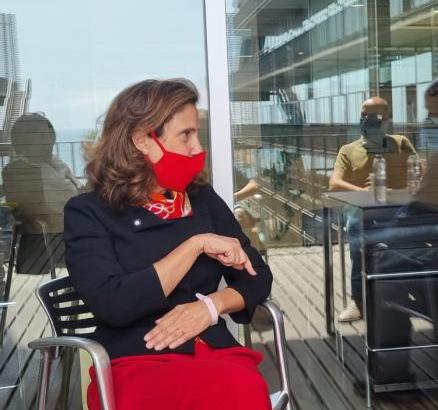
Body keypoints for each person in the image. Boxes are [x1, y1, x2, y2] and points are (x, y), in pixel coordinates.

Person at [63, 79, 273, 409]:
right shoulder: (88, 212)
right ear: (142, 141)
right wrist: (194, 245)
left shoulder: (202, 200)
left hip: (213, 350)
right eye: (185, 135)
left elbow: (256, 275)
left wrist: (210, 307)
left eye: (197, 134)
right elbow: (112, 303)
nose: (196, 148)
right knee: (237, 390)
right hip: (137, 360)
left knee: (242, 386)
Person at [329, 96, 418, 322]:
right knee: (357, 229)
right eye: (364, 115)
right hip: (362, 211)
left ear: (387, 119)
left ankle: (410, 290)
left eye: (375, 116)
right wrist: (363, 192)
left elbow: (418, 173)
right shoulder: (349, 149)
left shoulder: (400, 143)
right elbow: (335, 183)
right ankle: (359, 300)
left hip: (397, 209)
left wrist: (391, 191)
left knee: (413, 233)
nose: (367, 120)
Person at [2, 113, 82, 275]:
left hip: (48, 236)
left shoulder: (49, 164)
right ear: (26, 141)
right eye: (42, 137)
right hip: (55, 240)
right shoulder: (34, 171)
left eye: (50, 135)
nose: (49, 142)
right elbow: (71, 201)